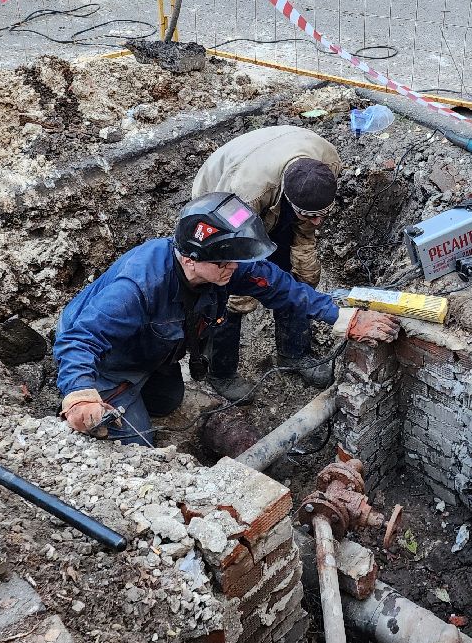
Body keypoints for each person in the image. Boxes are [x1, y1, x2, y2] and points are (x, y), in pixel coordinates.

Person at [55, 192, 397, 445]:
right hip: (108, 362)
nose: (233, 271)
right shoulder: (137, 287)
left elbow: (280, 286)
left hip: (153, 350)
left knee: (169, 400)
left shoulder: (224, 266)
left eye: (234, 262)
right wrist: (79, 392)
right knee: (138, 444)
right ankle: (116, 402)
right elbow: (79, 340)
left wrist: (344, 318)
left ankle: (140, 392)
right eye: (223, 263)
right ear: (190, 259)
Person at [191, 126, 345, 401]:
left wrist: (304, 258)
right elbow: (234, 249)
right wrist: (242, 285)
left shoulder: (327, 163)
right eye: (310, 215)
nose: (319, 222)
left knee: (295, 277)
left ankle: (294, 353)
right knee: (228, 293)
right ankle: (221, 372)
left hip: (276, 192)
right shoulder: (244, 193)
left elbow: (307, 226)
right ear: (288, 198)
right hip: (221, 207)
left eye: (322, 215)